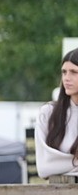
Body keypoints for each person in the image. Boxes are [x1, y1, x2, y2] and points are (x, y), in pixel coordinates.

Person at [35, 48, 78, 178]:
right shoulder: (47, 113)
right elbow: (44, 166)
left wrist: (61, 164)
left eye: (74, 72)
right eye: (64, 72)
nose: (66, 78)